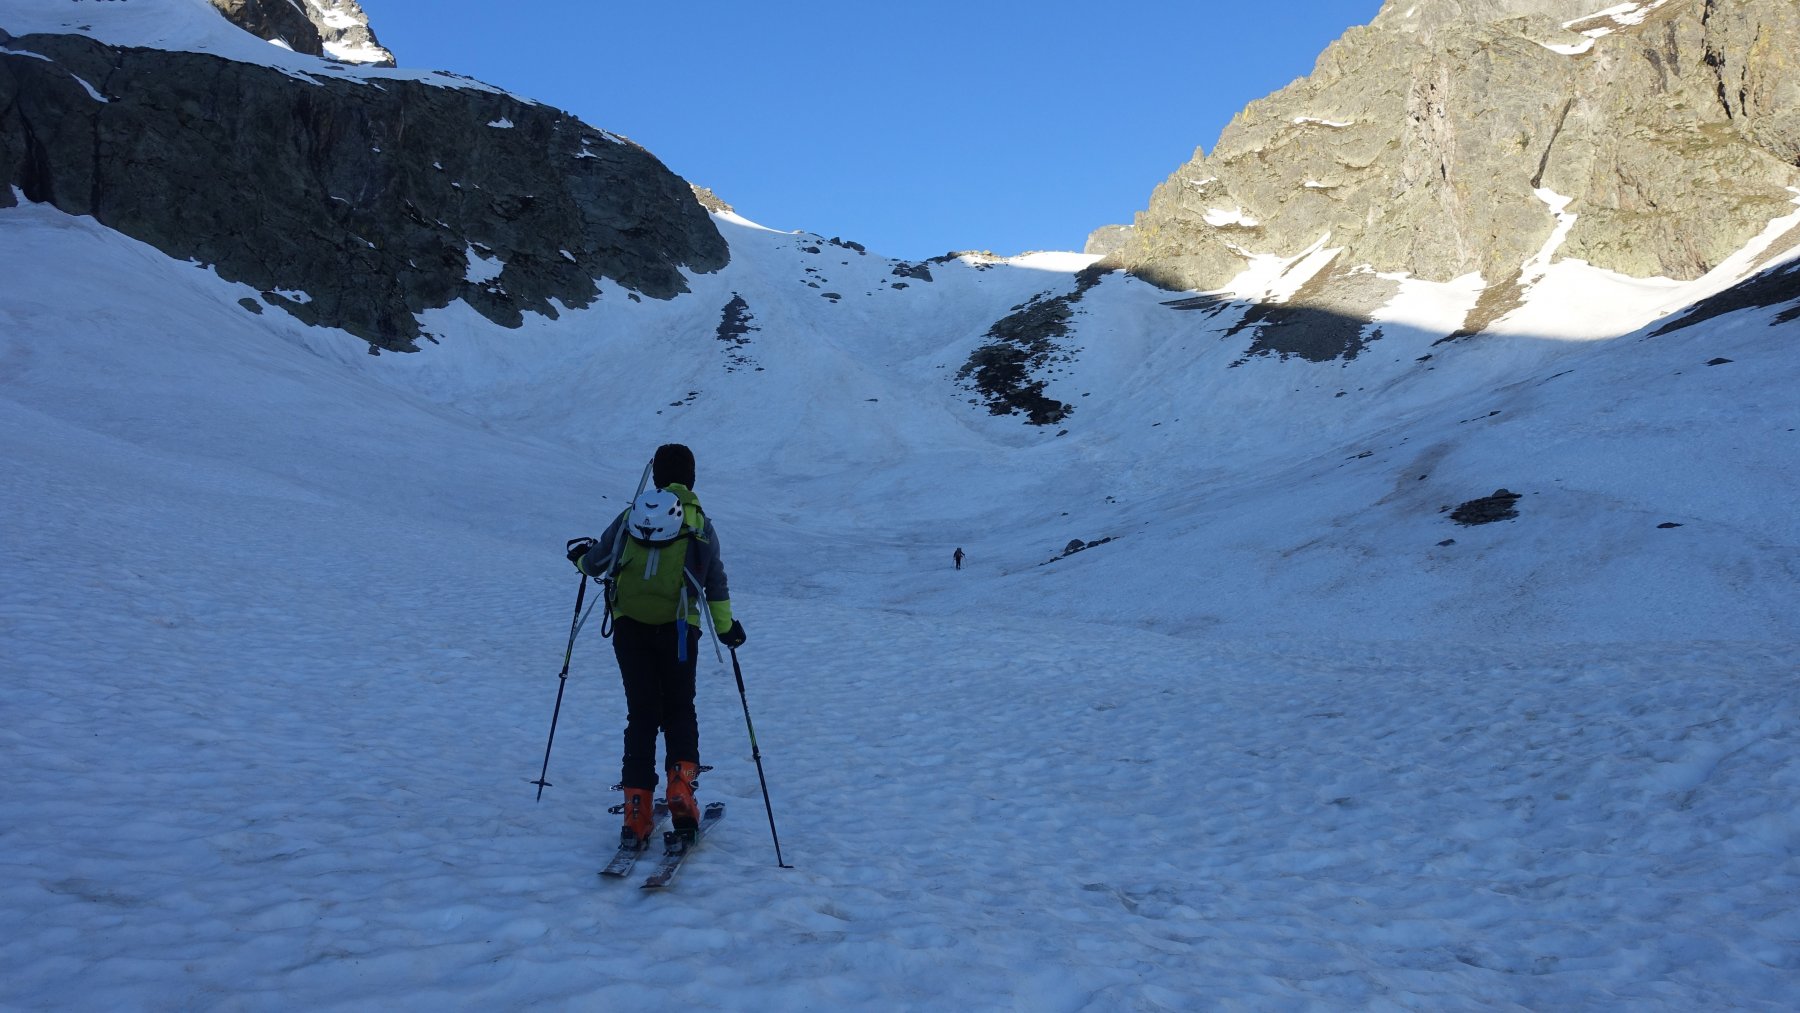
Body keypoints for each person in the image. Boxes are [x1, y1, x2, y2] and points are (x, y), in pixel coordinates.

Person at [565, 443, 746, 849]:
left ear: (656, 477)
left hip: (630, 628)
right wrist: (728, 629)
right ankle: (681, 788)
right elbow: (715, 583)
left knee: (642, 714)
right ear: (691, 478)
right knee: (680, 708)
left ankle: (636, 810)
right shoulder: (699, 524)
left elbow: (595, 562)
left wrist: (579, 559)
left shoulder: (633, 515)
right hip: (680, 632)